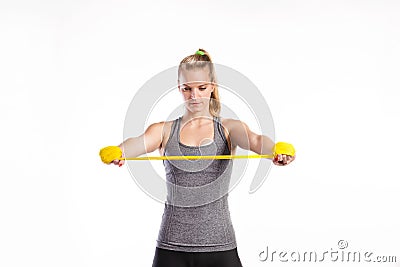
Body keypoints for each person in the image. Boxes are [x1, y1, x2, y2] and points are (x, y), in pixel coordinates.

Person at [99, 48, 295, 267]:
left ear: (212, 86)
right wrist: (119, 151)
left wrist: (276, 150)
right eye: (187, 89)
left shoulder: (228, 128)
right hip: (171, 247)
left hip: (220, 246)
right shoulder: (163, 130)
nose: (194, 96)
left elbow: (257, 141)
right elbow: (137, 143)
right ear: (179, 87)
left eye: (201, 88)